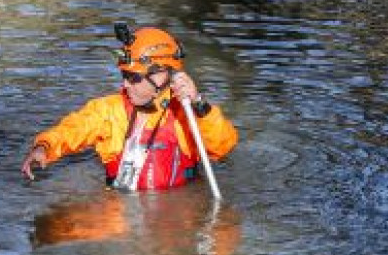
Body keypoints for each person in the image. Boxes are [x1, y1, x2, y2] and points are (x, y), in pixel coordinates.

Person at [21, 26, 238, 191]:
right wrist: (44, 146)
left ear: (162, 75)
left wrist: (199, 103)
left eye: (133, 78)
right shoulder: (109, 110)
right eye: (124, 76)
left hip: (177, 214)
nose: (125, 84)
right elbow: (73, 129)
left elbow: (223, 146)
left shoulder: (187, 113)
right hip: (119, 212)